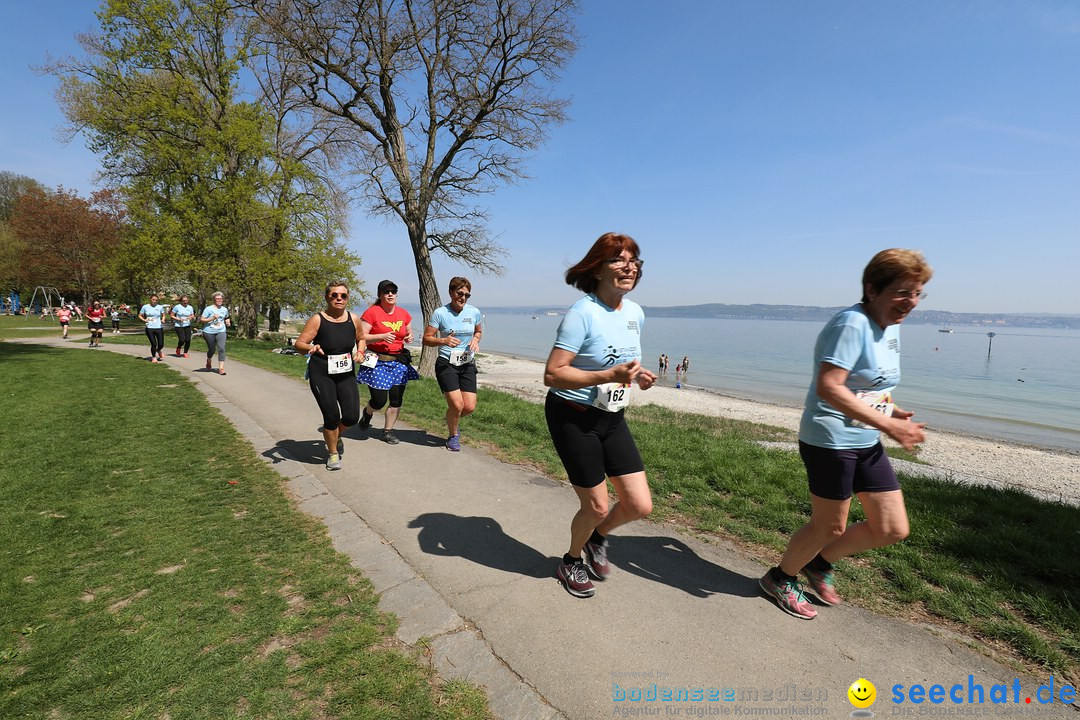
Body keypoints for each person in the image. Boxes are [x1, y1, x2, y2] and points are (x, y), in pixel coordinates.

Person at [760, 249, 932, 620]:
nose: (911, 302)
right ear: (872, 289)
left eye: (918, 293)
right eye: (903, 292)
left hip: (865, 438)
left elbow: (870, 383)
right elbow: (829, 386)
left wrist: (891, 409)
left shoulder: (891, 326)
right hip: (830, 440)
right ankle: (780, 578)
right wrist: (891, 425)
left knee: (892, 528)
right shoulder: (851, 325)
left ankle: (819, 564)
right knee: (830, 526)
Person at [543, 232, 657, 599]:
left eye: (635, 260)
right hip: (572, 416)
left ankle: (597, 539)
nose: (630, 267)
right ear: (598, 268)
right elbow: (553, 374)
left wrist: (638, 375)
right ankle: (571, 560)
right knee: (596, 505)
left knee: (640, 504)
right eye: (619, 260)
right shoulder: (582, 313)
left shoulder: (636, 312)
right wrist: (609, 376)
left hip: (612, 416)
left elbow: (625, 360)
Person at [294, 281, 367, 470]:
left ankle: (335, 434)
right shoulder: (318, 319)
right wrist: (311, 347)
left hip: (345, 372)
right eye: (334, 295)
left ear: (348, 298)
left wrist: (360, 352)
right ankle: (333, 453)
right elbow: (299, 344)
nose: (339, 299)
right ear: (327, 297)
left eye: (343, 295)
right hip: (322, 373)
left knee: (351, 417)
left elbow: (361, 338)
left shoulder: (353, 318)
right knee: (331, 415)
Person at [423, 277, 483, 452]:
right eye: (460, 293)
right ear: (451, 292)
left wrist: (475, 340)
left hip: (467, 363)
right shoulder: (440, 313)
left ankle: (452, 420)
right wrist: (443, 340)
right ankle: (453, 435)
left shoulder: (474, 312)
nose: (463, 297)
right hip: (446, 364)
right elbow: (427, 339)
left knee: (469, 407)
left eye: (467, 295)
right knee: (457, 406)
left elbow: (478, 332)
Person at [356, 280, 419, 445]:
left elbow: (408, 333)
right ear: (380, 295)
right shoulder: (372, 313)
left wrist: (409, 337)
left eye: (393, 291)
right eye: (386, 291)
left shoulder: (404, 314)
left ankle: (388, 431)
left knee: (396, 399)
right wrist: (381, 336)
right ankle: (368, 413)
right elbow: (361, 337)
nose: (390, 294)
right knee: (379, 400)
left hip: (398, 361)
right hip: (377, 361)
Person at [200, 291, 231, 375]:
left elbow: (227, 317)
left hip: (221, 331)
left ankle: (221, 368)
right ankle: (209, 359)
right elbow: (202, 319)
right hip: (208, 331)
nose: (219, 300)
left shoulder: (224, 309)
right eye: (217, 299)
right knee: (212, 349)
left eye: (220, 299)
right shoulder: (208, 309)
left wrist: (228, 322)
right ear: (214, 299)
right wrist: (212, 318)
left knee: (221, 348)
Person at [138, 294, 167, 362]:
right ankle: (154, 357)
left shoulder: (160, 307)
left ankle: (158, 350)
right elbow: (139, 315)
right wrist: (144, 320)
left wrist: (163, 319)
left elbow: (163, 315)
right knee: (153, 343)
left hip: (158, 327)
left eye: (156, 300)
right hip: (149, 327)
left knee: (161, 344)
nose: (154, 301)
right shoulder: (145, 307)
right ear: (150, 299)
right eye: (153, 299)